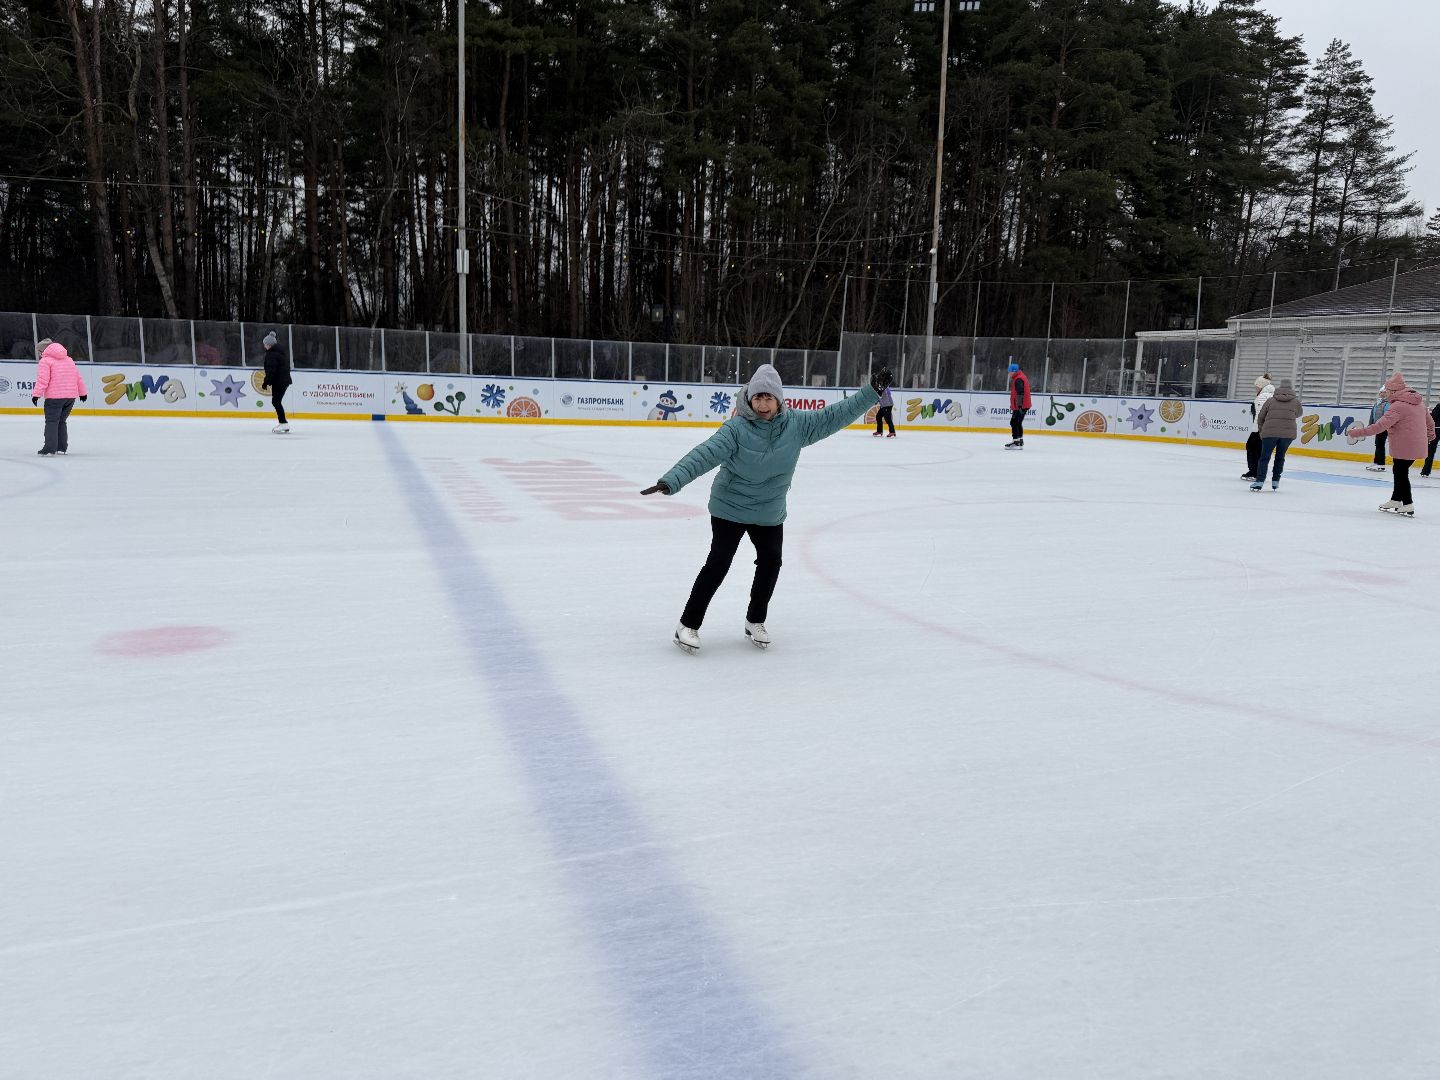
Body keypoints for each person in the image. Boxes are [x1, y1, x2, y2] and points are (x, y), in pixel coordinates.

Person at [642, 363, 889, 653]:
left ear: (778, 400)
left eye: (768, 398)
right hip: (730, 507)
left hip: (768, 510)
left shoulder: (797, 425)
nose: (762, 404)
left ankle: (755, 621)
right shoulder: (736, 428)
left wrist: (872, 391)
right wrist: (672, 480)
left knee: (771, 562)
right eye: (757, 397)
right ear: (749, 399)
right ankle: (688, 624)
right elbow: (705, 454)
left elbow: (836, 415)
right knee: (719, 563)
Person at [1346, 371, 1436, 516]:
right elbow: (1430, 422)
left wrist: (1356, 433)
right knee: (1399, 471)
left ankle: (1408, 504)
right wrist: (1430, 436)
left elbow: (1379, 427)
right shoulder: (1418, 403)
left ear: (1394, 391)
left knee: (1400, 473)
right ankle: (1396, 500)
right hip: (1416, 445)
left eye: (1387, 390)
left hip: (1405, 446)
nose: (1385, 393)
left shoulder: (1398, 406)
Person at [32, 338, 87, 456]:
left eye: (39, 352)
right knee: (62, 421)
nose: (40, 354)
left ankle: (49, 448)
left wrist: (36, 395)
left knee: (52, 421)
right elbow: (78, 378)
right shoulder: (69, 359)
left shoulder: (45, 361)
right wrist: (83, 393)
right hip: (70, 397)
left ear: (43, 350)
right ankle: (61, 448)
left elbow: (43, 380)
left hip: (54, 398)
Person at [1250, 378, 1303, 491]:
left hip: (1269, 433)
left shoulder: (1270, 400)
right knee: (1280, 457)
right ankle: (1275, 481)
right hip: (1288, 434)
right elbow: (1299, 414)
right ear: (1291, 388)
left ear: (1279, 387)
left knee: (1264, 457)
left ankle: (1259, 481)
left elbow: (1261, 416)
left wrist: (1261, 430)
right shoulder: (1296, 402)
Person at [1242, 374, 1275, 480]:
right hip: (1267, 428)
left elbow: (1260, 415)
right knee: (1257, 449)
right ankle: (1257, 472)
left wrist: (1257, 429)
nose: (1255, 388)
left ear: (1261, 386)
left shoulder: (1263, 396)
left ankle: (1254, 472)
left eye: (1256, 386)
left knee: (1252, 447)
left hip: (1261, 429)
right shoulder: (1271, 395)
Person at [261, 329, 292, 433]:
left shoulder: (272, 355)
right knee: (276, 401)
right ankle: (283, 423)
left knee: (276, 402)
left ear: (269, 345)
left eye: (265, 344)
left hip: (279, 382)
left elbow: (271, 370)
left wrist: (266, 382)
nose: (264, 346)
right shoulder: (280, 352)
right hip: (283, 381)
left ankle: (283, 424)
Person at [1005, 361, 1030, 449]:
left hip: (1020, 406)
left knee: (1014, 422)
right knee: (1018, 422)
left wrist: (1019, 406)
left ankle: (1016, 442)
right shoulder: (1020, 377)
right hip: (1022, 405)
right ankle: (1020, 441)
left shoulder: (1018, 379)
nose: (1008, 373)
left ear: (1014, 371)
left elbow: (1020, 393)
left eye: (1009, 371)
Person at [1364, 386, 1390, 472]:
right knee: (1378, 444)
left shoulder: (1388, 403)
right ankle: (1376, 462)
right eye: (1381, 392)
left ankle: (1381, 464)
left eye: (1384, 392)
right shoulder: (1378, 403)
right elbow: (1372, 415)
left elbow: (1387, 417)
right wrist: (1370, 425)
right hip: (1377, 427)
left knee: (1380, 445)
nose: (1382, 394)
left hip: (1383, 427)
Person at [1420, 397, 1440, 478]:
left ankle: (1426, 471)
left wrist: (1429, 412)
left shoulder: (1439, 406)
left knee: (1431, 451)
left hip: (1437, 430)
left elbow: (1433, 418)